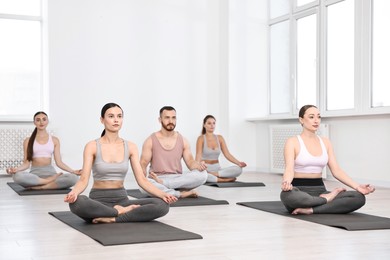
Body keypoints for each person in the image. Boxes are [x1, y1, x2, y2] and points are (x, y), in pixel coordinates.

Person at [64, 103, 177, 223]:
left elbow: (142, 180)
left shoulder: (131, 147)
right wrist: (73, 193)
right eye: (111, 116)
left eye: (119, 116)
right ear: (102, 120)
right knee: (77, 203)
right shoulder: (92, 146)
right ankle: (119, 212)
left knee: (162, 205)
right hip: (98, 201)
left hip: (123, 200)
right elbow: (83, 180)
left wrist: (163, 194)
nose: (116, 120)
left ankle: (112, 217)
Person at [280, 105, 375, 215]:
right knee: (287, 196)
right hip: (298, 191)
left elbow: (336, 171)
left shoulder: (325, 142)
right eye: (311, 117)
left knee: (358, 198)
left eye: (319, 117)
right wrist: (286, 183)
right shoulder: (292, 142)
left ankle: (311, 209)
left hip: (320, 190)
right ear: (301, 119)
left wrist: (358, 186)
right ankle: (326, 201)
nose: (316, 120)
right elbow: (289, 169)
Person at [140, 106, 208, 198]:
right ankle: (180, 193)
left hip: (177, 179)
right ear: (160, 120)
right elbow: (143, 163)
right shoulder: (150, 140)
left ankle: (166, 187)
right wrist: (143, 179)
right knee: (143, 186)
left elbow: (190, 162)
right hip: (157, 178)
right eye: (167, 117)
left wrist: (199, 166)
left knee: (203, 175)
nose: (171, 121)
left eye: (173, 117)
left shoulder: (183, 140)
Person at [6, 111, 80, 190]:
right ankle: (48, 182)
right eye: (38, 120)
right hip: (35, 175)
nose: (41, 122)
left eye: (44, 119)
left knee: (73, 178)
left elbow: (59, 162)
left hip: (51, 173)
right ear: (34, 122)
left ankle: (41, 186)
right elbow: (26, 164)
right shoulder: (28, 141)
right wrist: (15, 170)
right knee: (17, 176)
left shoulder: (54, 140)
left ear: (47, 121)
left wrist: (73, 171)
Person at [195, 115, 246, 183]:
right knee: (199, 174)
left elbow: (227, 154)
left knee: (239, 169)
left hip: (217, 169)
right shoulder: (201, 138)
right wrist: (197, 166)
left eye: (214, 123)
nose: (212, 125)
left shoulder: (220, 138)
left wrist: (239, 163)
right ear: (204, 125)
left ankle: (214, 175)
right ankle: (222, 179)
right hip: (205, 168)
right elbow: (198, 155)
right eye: (209, 123)